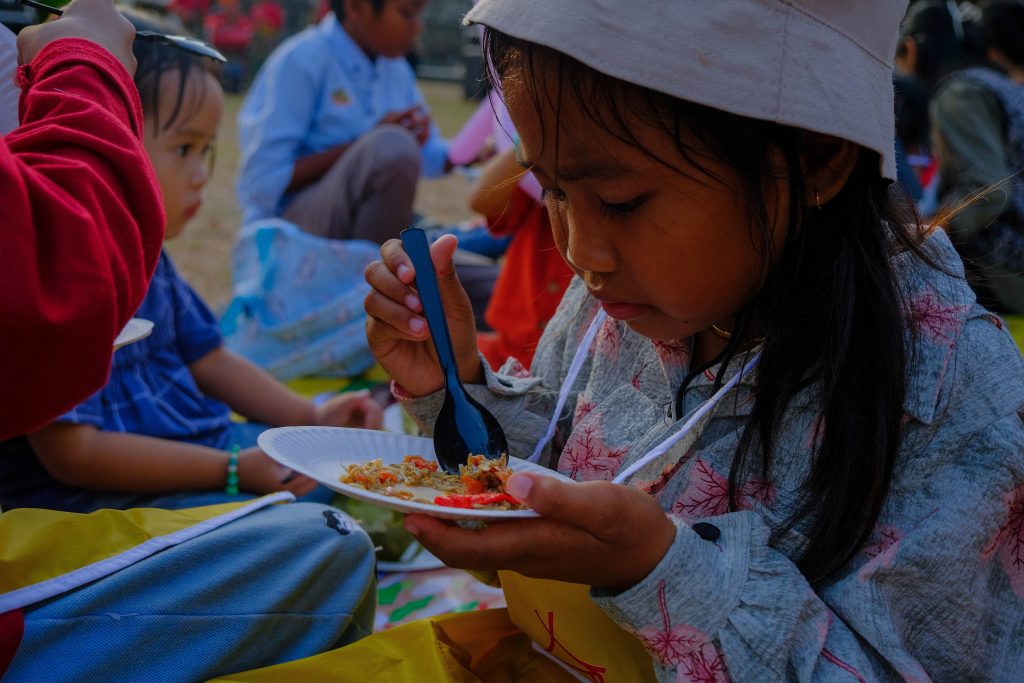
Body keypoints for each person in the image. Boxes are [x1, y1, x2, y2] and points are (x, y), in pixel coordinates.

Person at [358, 0, 1024, 679]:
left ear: (817, 158)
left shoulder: (946, 399)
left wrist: (663, 574)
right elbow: (562, 468)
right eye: (554, 191)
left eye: (621, 201)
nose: (582, 251)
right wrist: (456, 385)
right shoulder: (622, 301)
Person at [1, 6, 375, 680]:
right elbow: (75, 452)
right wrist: (233, 472)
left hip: (200, 450)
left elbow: (212, 357)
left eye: (208, 151)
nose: (202, 173)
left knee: (329, 469)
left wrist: (310, 417)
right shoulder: (76, 263)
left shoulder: (155, 262)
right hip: (107, 496)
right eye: (182, 150)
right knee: (318, 525)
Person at [236, 0, 447, 242]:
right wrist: (366, 145)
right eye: (407, 13)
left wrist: (479, 152)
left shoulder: (394, 67)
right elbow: (262, 183)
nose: (418, 27)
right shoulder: (302, 60)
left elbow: (431, 156)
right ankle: (374, 274)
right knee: (390, 145)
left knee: (482, 278)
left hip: (366, 224)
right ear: (356, 7)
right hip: (290, 228)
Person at [930, 1, 1024, 313]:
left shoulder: (963, 94)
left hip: (1003, 282)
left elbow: (989, 189)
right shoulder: (1011, 91)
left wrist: (930, 232)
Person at [470, 146, 572, 369]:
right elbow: (480, 198)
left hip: (571, 370)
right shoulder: (542, 175)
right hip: (510, 351)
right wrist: (531, 136)